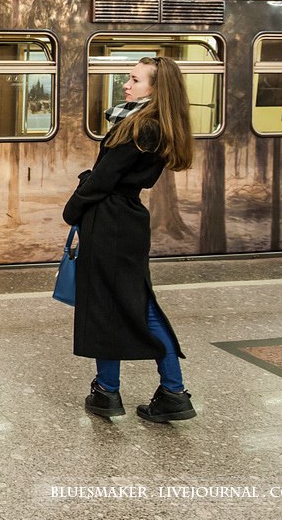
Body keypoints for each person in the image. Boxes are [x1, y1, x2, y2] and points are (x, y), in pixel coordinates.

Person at [63, 56, 196, 423]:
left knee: (124, 307)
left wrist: (73, 210)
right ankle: (144, 392)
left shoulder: (140, 127)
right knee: (124, 304)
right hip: (124, 220)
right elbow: (122, 175)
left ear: (155, 88)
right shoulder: (150, 123)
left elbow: (105, 178)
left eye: (135, 80)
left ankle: (157, 391)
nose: (126, 84)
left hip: (110, 221)